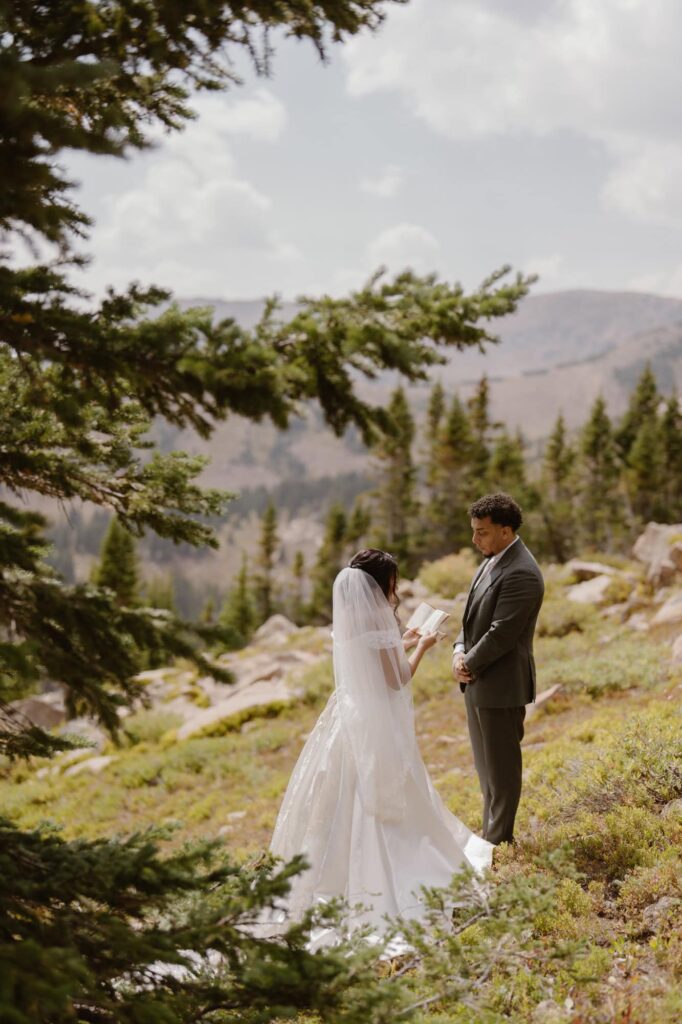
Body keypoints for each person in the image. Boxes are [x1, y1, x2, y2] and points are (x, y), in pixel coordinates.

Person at [268, 548, 492, 947]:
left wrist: (400, 640)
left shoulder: (353, 618)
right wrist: (422, 645)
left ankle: (329, 879)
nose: (396, 587)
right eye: (392, 581)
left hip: (349, 717)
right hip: (375, 723)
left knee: (339, 797)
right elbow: (396, 679)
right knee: (382, 793)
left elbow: (371, 664)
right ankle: (386, 880)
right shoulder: (378, 618)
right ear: (380, 583)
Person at [452, 493, 544, 846]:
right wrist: (459, 650)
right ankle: (491, 835)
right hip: (477, 681)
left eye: (482, 532)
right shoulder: (492, 559)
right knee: (485, 768)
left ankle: (500, 842)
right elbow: (471, 618)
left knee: (502, 769)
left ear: (506, 531)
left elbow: (501, 634)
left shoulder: (522, 572)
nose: (475, 540)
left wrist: (467, 662)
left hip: (502, 684)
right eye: (473, 532)